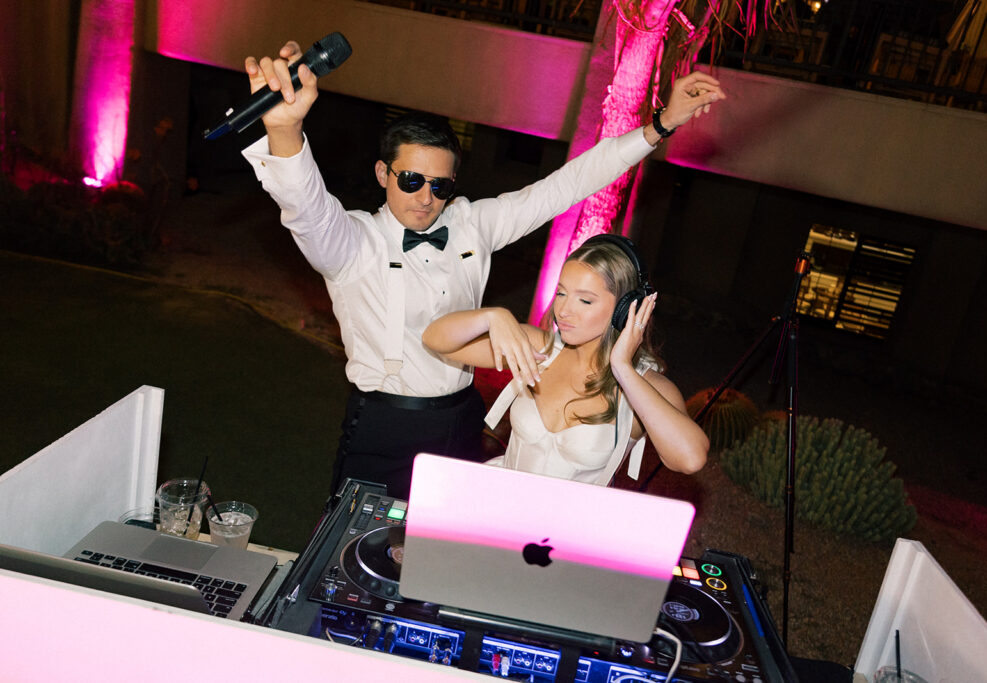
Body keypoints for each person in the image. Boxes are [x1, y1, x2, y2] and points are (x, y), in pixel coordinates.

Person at [240, 39, 724, 498]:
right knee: (354, 553)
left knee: (441, 554)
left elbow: (565, 185)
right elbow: (306, 209)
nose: (426, 198)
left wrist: (658, 126)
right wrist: (284, 130)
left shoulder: (473, 223)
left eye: (440, 185)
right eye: (410, 180)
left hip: (461, 419)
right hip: (385, 421)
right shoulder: (351, 241)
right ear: (383, 174)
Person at [422, 235, 709, 485]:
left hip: (566, 537)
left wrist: (623, 369)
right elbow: (436, 339)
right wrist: (491, 315)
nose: (564, 310)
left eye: (585, 300)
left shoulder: (646, 385)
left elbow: (690, 459)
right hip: (495, 507)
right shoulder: (539, 348)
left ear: (626, 308)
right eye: (561, 293)